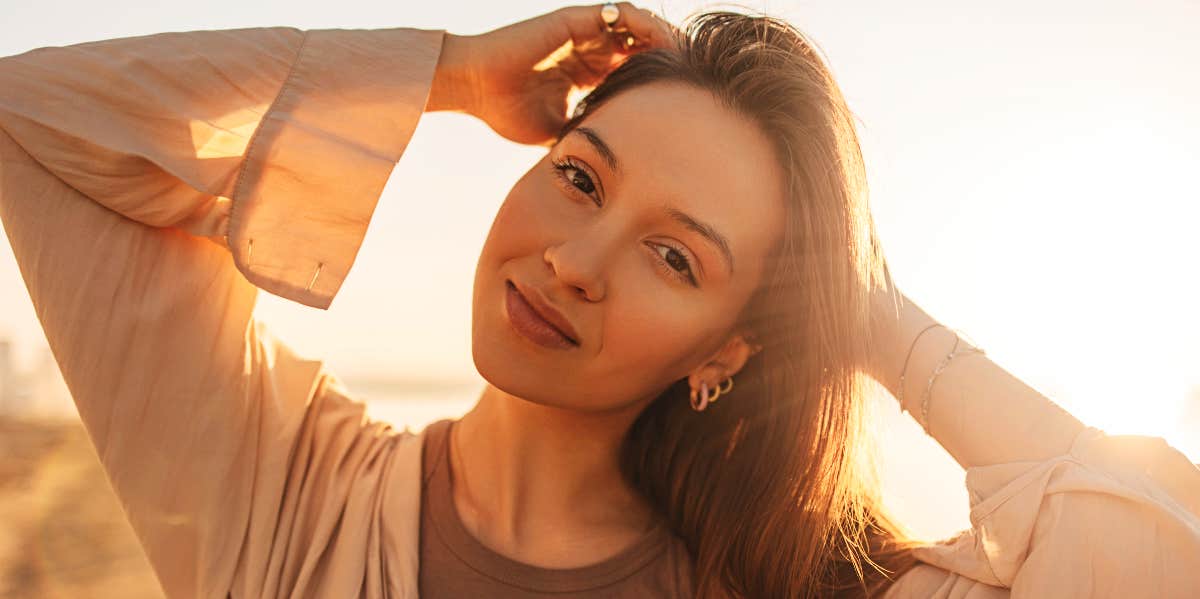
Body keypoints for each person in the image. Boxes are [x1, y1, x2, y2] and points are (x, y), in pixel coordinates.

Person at [0, 2, 1197, 597]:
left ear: (725, 348)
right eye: (580, 178)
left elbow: (1150, 551)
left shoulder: (801, 586)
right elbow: (33, 118)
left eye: (676, 257)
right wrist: (450, 73)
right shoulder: (286, 493)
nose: (577, 260)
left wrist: (865, 309)